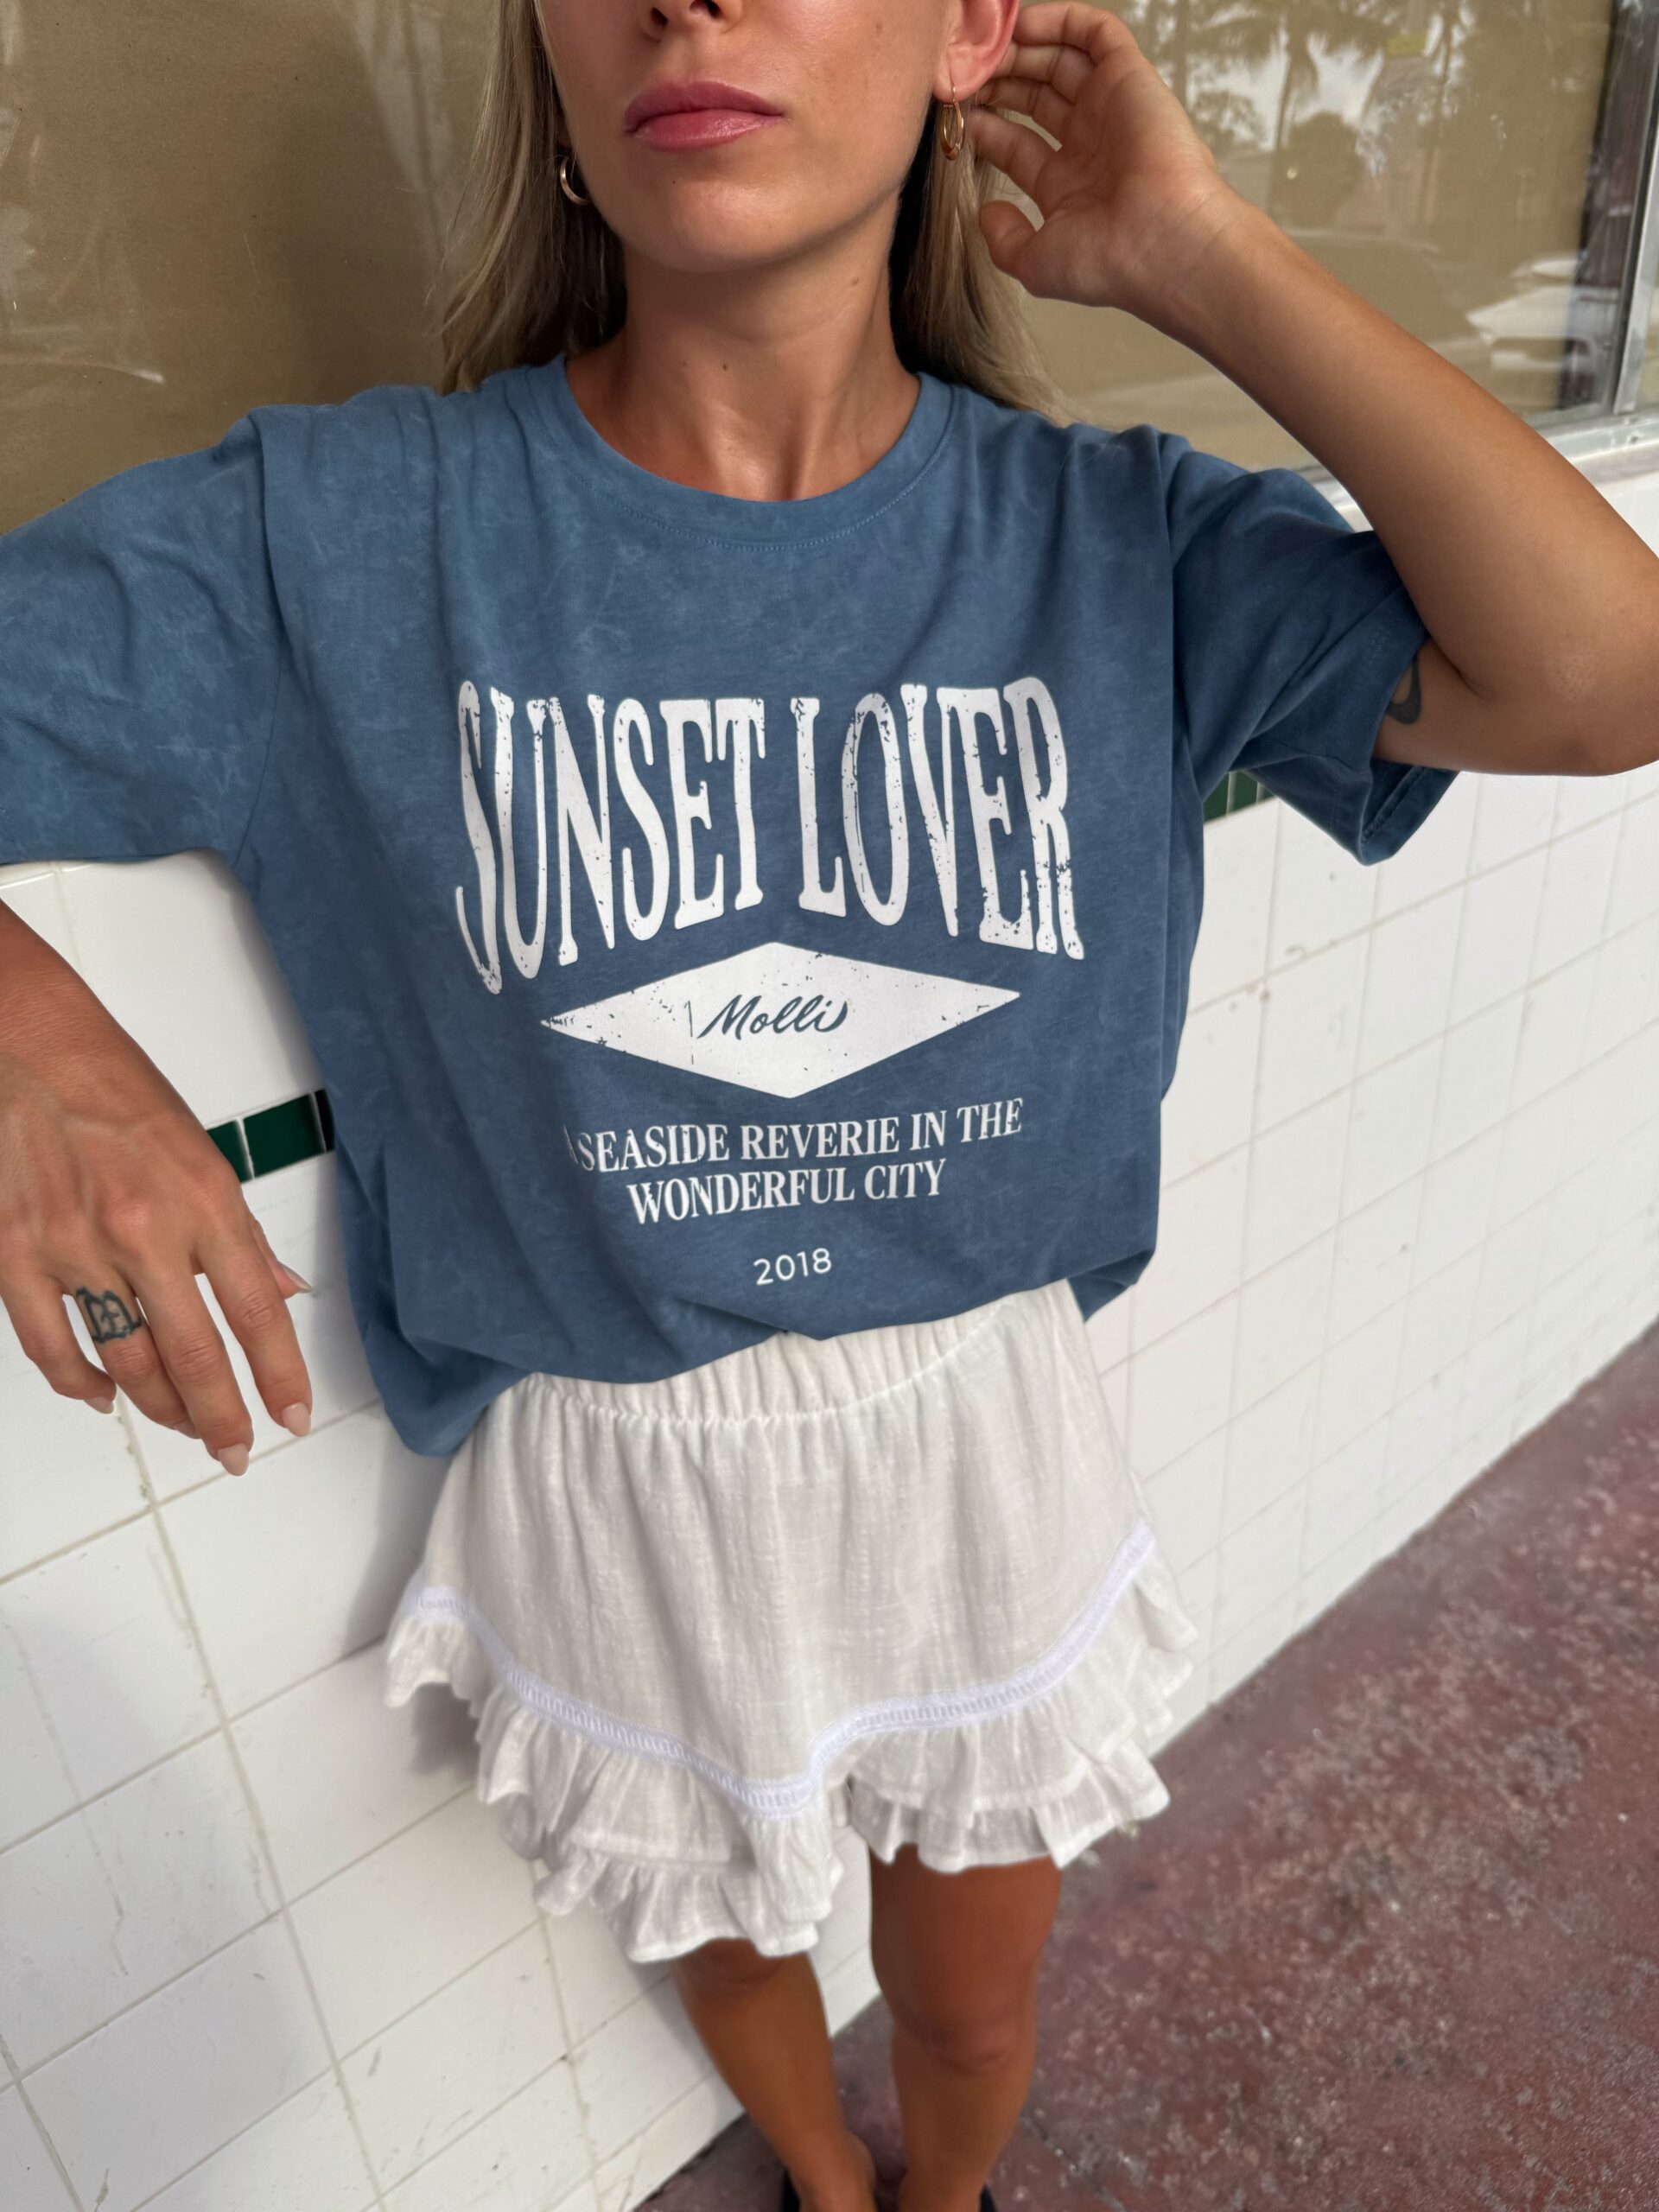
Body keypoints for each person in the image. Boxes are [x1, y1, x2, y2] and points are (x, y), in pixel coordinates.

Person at [3, 3, 1657, 2208]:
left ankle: (938, 2193)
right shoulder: (337, 542)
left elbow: (1604, 675)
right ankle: (822, 2169)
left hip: (976, 1451)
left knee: (970, 1997)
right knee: (727, 1938)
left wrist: (1199, 254)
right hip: (614, 1481)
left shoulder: (1124, 550)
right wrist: (32, 1035)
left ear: (969, 30)